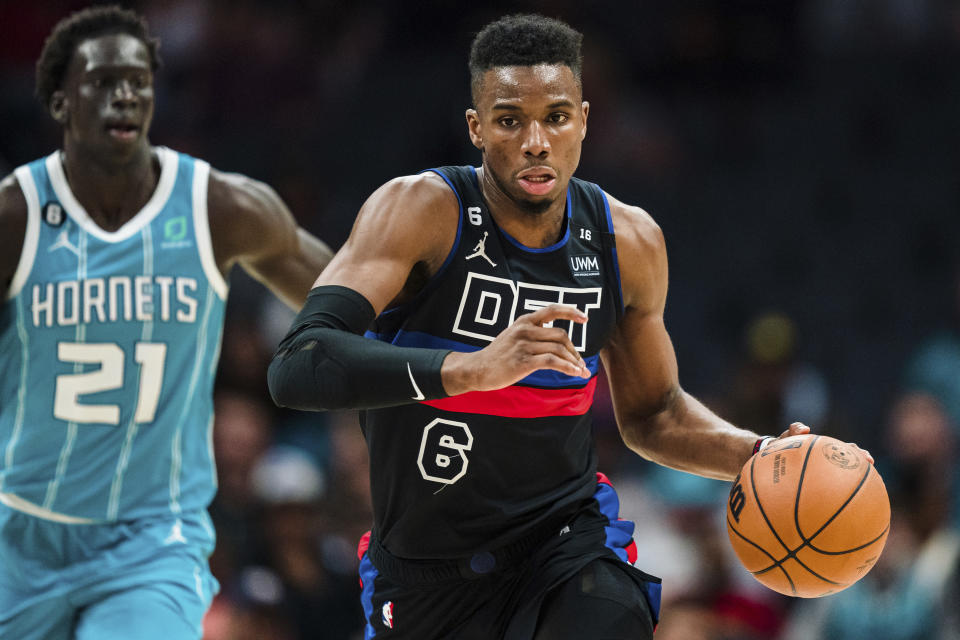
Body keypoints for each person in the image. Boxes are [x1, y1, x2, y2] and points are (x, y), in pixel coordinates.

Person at [268, 13, 870, 640]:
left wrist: (757, 452)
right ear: (476, 128)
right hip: (423, 571)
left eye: (555, 117)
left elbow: (655, 415)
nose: (536, 141)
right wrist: (472, 369)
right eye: (509, 120)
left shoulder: (627, 240)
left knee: (608, 609)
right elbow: (299, 363)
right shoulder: (420, 210)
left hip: (562, 546)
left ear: (583, 119)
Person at [0, 6, 333, 640]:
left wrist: (453, 360)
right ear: (60, 100)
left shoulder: (219, 206)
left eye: (138, 81)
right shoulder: (15, 217)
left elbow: (347, 299)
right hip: (24, 530)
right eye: (102, 82)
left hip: (152, 537)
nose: (124, 96)